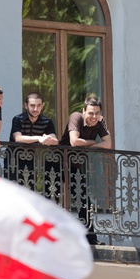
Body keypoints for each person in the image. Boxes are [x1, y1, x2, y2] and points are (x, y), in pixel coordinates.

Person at [59, 96, 112, 245]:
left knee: (84, 200)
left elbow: (108, 144)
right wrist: (92, 143)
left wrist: (90, 146)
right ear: (84, 112)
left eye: (97, 113)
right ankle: (50, 237)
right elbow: (74, 141)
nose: (94, 116)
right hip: (56, 163)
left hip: (74, 166)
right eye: (90, 113)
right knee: (53, 198)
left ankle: (90, 238)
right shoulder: (76, 117)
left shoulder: (99, 122)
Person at [7, 92, 60, 199]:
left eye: (39, 105)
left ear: (42, 106)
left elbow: (55, 140)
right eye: (32, 106)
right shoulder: (18, 119)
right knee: (12, 191)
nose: (36, 109)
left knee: (29, 191)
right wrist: (39, 138)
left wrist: (48, 139)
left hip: (30, 159)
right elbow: (18, 138)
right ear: (26, 105)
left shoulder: (47, 121)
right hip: (12, 159)